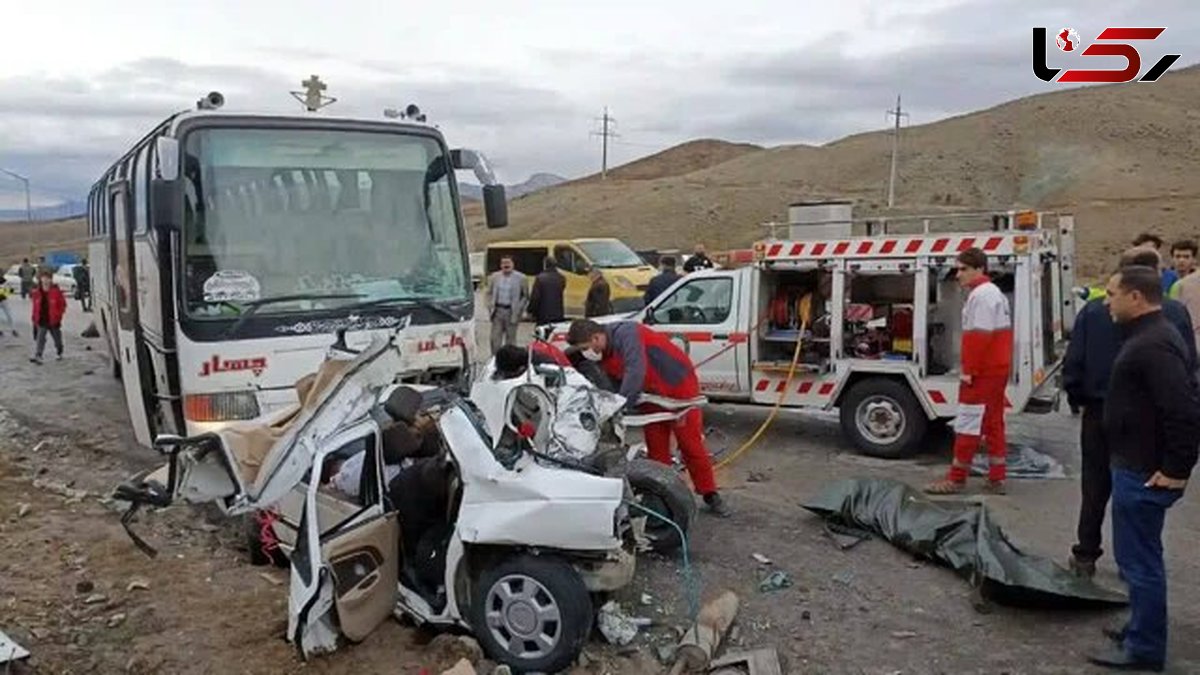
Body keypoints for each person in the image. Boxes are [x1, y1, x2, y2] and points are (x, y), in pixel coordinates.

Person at [1085, 265, 1200, 672]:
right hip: (1133, 464)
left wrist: (1177, 468)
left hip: (1144, 471)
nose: (1106, 301)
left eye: (1112, 293)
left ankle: (1145, 649)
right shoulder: (1147, 335)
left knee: (1140, 561)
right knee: (1135, 557)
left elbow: (1183, 409)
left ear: (1136, 297)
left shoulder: (1153, 343)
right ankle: (1139, 628)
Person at [1063, 248, 1197, 579]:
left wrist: (1077, 398)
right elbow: (1188, 368)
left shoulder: (1093, 312)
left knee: (1095, 486)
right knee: (1143, 488)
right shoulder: (1175, 314)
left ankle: (1086, 554)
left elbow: (1074, 363)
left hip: (1099, 411)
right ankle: (1135, 560)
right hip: (1148, 419)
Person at [566, 319, 730, 517]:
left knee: (690, 444)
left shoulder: (627, 334)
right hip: (650, 395)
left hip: (679, 388)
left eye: (586, 347)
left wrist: (620, 405)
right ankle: (663, 495)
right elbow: (613, 384)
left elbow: (635, 370)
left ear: (596, 337)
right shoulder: (602, 355)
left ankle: (710, 494)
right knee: (656, 448)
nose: (587, 352)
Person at [925, 248, 1012, 495]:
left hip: (983, 371)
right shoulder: (993, 293)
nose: (958, 274)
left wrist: (969, 370)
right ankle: (997, 477)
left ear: (979, 269)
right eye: (957, 269)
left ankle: (956, 478)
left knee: (968, 422)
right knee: (994, 422)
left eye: (963, 269)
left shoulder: (981, 296)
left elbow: (979, 336)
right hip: (996, 369)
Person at [487, 256, 527, 355]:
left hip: (512, 312)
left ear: (513, 264)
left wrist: (519, 308)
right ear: (501, 265)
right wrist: (489, 306)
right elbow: (489, 293)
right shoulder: (494, 277)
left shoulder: (521, 278)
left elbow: (525, 296)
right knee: (494, 339)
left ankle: (510, 361)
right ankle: (495, 360)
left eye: (508, 263)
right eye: (503, 263)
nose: (506, 265)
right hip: (498, 311)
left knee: (511, 340)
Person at [29, 270, 67, 364]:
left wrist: (58, 315)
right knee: (40, 338)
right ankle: (38, 355)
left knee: (57, 339)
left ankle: (59, 351)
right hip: (42, 319)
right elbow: (35, 307)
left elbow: (63, 305)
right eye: (44, 278)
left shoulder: (56, 292)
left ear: (51, 280)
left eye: (48, 278)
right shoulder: (36, 293)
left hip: (54, 320)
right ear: (40, 280)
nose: (45, 280)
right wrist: (34, 318)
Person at [528, 256, 566, 327]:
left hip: (543, 313)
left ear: (545, 265)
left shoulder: (540, 278)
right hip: (558, 313)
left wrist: (531, 310)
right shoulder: (561, 278)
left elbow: (535, 297)